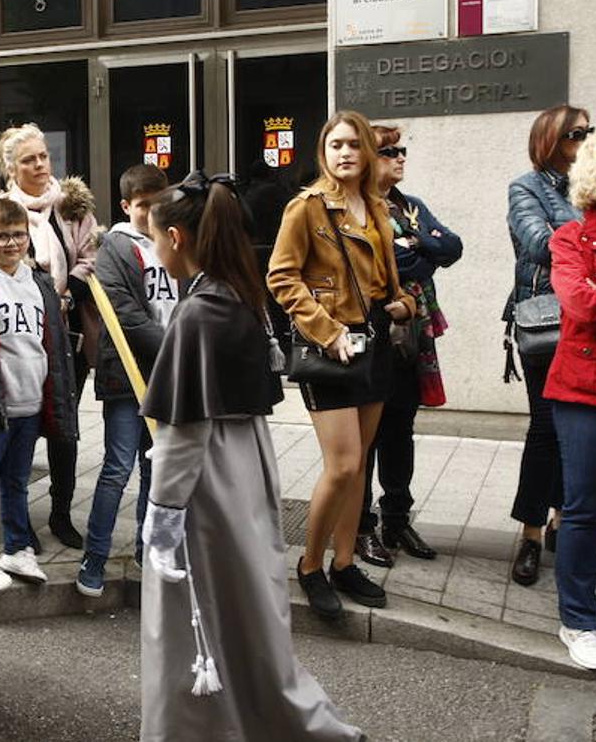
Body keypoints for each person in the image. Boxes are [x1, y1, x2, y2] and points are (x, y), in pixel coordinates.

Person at [140, 171, 362, 741]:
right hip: (245, 466)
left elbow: (184, 429)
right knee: (246, 604)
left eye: (155, 238)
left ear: (177, 238)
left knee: (200, 609)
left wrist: (162, 516)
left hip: (205, 482)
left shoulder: (197, 311)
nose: (155, 248)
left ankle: (199, 729)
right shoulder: (238, 294)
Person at [267, 110, 416, 619]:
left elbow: (384, 280)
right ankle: (310, 564)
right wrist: (328, 333)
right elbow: (281, 278)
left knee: (361, 464)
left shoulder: (376, 207)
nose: (346, 153)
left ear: (367, 153)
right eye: (336, 145)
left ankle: (345, 562)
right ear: (324, 153)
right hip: (329, 345)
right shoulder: (306, 208)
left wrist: (403, 303)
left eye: (354, 144)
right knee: (344, 464)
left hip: (374, 340)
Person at [0, 197, 77, 593]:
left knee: (17, 482)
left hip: (31, 401)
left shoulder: (39, 282)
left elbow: (52, 342)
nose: (12, 243)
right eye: (1, 236)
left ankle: (17, 548)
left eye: (19, 235)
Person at [540, 122, 596, 672]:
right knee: (586, 512)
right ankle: (578, 622)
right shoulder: (571, 239)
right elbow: (584, 305)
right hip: (589, 393)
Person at [355, 127, 462, 569]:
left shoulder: (409, 206)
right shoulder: (358, 207)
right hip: (373, 331)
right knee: (365, 436)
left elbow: (452, 247)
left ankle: (396, 520)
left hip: (412, 334)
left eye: (402, 150)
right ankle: (361, 526)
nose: (400, 157)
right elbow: (383, 263)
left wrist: (416, 244)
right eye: (389, 151)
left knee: (400, 428)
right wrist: (419, 255)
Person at [0, 122, 99, 549]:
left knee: (64, 428)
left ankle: (61, 514)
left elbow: (91, 255)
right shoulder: (0, 212)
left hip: (68, 335)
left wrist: (68, 291)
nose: (39, 165)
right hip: (19, 336)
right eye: (28, 160)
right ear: (11, 169)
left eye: (43, 156)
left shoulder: (72, 207)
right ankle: (19, 522)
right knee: (20, 428)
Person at [78, 164, 176, 596]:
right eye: (143, 206)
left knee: (157, 468)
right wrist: (178, 349)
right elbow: (126, 315)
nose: (152, 213)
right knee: (118, 468)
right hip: (128, 376)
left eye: (159, 204)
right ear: (125, 206)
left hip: (167, 376)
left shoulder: (174, 239)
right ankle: (94, 559)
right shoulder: (116, 247)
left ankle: (146, 550)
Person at [506, 105, 589, 586]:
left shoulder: (595, 186)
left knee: (578, 429)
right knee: (545, 426)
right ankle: (531, 535)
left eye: (589, 132)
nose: (586, 140)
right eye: (577, 133)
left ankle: (561, 519)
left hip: (593, 322)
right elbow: (540, 244)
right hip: (547, 320)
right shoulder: (527, 187)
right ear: (551, 140)